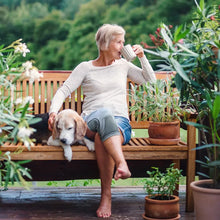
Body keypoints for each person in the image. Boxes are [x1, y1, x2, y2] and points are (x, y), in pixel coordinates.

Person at [48, 24, 156, 218]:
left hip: (120, 123)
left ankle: (106, 196)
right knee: (104, 114)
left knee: (102, 135)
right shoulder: (85, 68)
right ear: (105, 43)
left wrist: (142, 57)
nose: (123, 46)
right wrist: (53, 112)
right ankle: (122, 164)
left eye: (124, 42)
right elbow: (64, 90)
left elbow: (150, 82)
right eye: (119, 42)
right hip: (90, 121)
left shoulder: (123, 65)